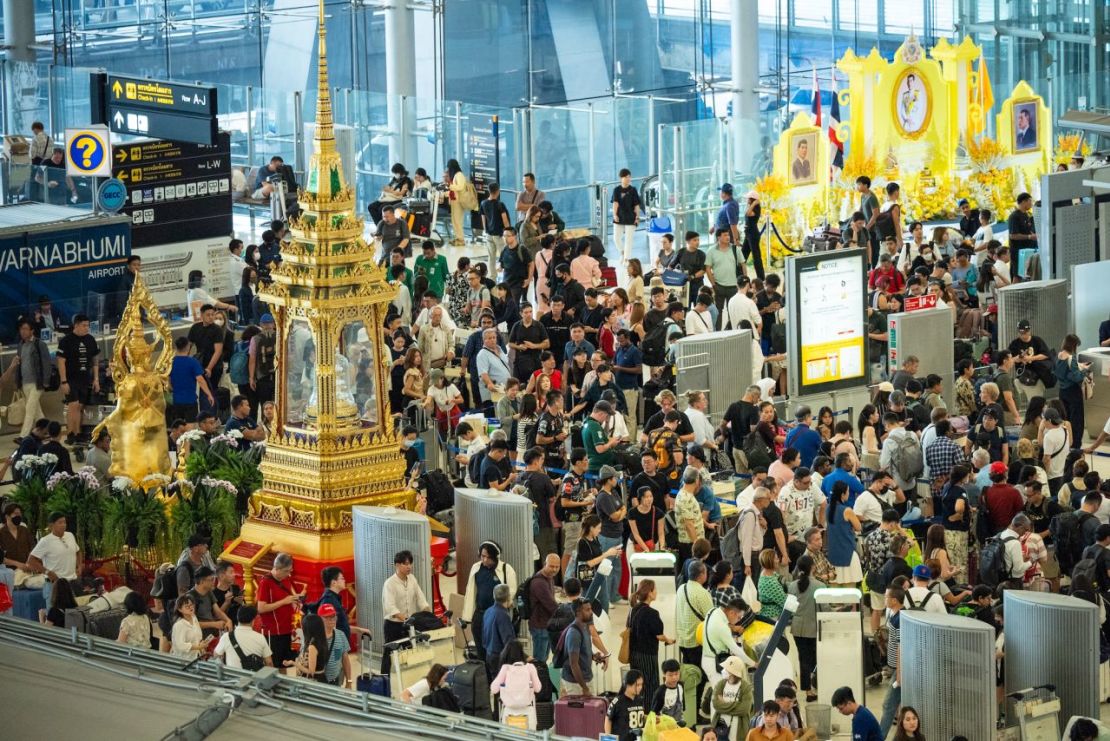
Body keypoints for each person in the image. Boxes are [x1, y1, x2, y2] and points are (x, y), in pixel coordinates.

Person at [462, 540, 517, 661]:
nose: (485, 560)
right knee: (481, 653)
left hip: (496, 617)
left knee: (496, 654)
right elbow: (470, 592)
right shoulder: (476, 568)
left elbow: (511, 593)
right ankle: (484, 677)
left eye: (489, 557)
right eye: (483, 556)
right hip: (479, 615)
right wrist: (468, 616)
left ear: (496, 557)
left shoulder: (506, 569)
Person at [26, 512, 80, 622]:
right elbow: (31, 560)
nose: (63, 525)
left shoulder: (70, 535)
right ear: (51, 525)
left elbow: (78, 551)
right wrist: (47, 572)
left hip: (70, 583)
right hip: (54, 585)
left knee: (72, 618)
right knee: (54, 618)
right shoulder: (45, 541)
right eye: (60, 522)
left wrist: (80, 566)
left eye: (64, 522)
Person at [56, 314, 101, 444]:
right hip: (71, 378)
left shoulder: (90, 339)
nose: (87, 328)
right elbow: (60, 361)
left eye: (88, 325)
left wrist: (96, 379)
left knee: (80, 406)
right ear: (76, 325)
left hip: (85, 378)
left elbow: (95, 360)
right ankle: (71, 433)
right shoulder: (66, 341)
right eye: (84, 325)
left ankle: (78, 432)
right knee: (73, 405)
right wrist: (63, 381)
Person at [256, 553, 304, 670]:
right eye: (286, 571)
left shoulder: (285, 579)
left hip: (289, 629)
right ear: (276, 569)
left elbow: (288, 598)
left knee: (286, 664)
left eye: (290, 570)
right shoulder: (265, 583)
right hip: (274, 633)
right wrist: (284, 601)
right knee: (275, 666)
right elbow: (261, 608)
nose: (288, 574)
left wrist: (295, 603)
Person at [627, 579, 673, 702]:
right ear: (650, 593)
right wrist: (668, 639)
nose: (657, 592)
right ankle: (648, 713)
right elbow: (659, 635)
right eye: (655, 589)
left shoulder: (633, 610)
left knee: (637, 685)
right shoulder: (652, 613)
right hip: (647, 656)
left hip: (634, 654)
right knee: (649, 686)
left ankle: (637, 709)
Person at [787, 554, 824, 703]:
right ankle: (816, 683)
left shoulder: (792, 586)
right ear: (813, 567)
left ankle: (807, 689)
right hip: (814, 627)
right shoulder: (820, 586)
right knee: (816, 658)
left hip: (797, 627)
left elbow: (789, 608)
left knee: (803, 658)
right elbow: (824, 607)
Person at [11, 319, 53, 440]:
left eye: (25, 329)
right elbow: (20, 365)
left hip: (37, 383)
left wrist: (46, 381)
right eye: (21, 329)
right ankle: (48, 430)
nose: (23, 332)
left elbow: (47, 363)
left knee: (29, 409)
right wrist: (17, 381)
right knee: (36, 410)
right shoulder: (21, 345)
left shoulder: (39, 344)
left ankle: (23, 436)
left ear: (32, 330)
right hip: (24, 382)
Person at [708, 655, 754, 741]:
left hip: (738, 732)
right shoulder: (721, 684)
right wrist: (736, 704)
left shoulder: (745, 687)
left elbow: (744, 710)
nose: (724, 670)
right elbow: (716, 705)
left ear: (734, 672)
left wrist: (724, 704)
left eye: (727, 669)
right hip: (721, 730)